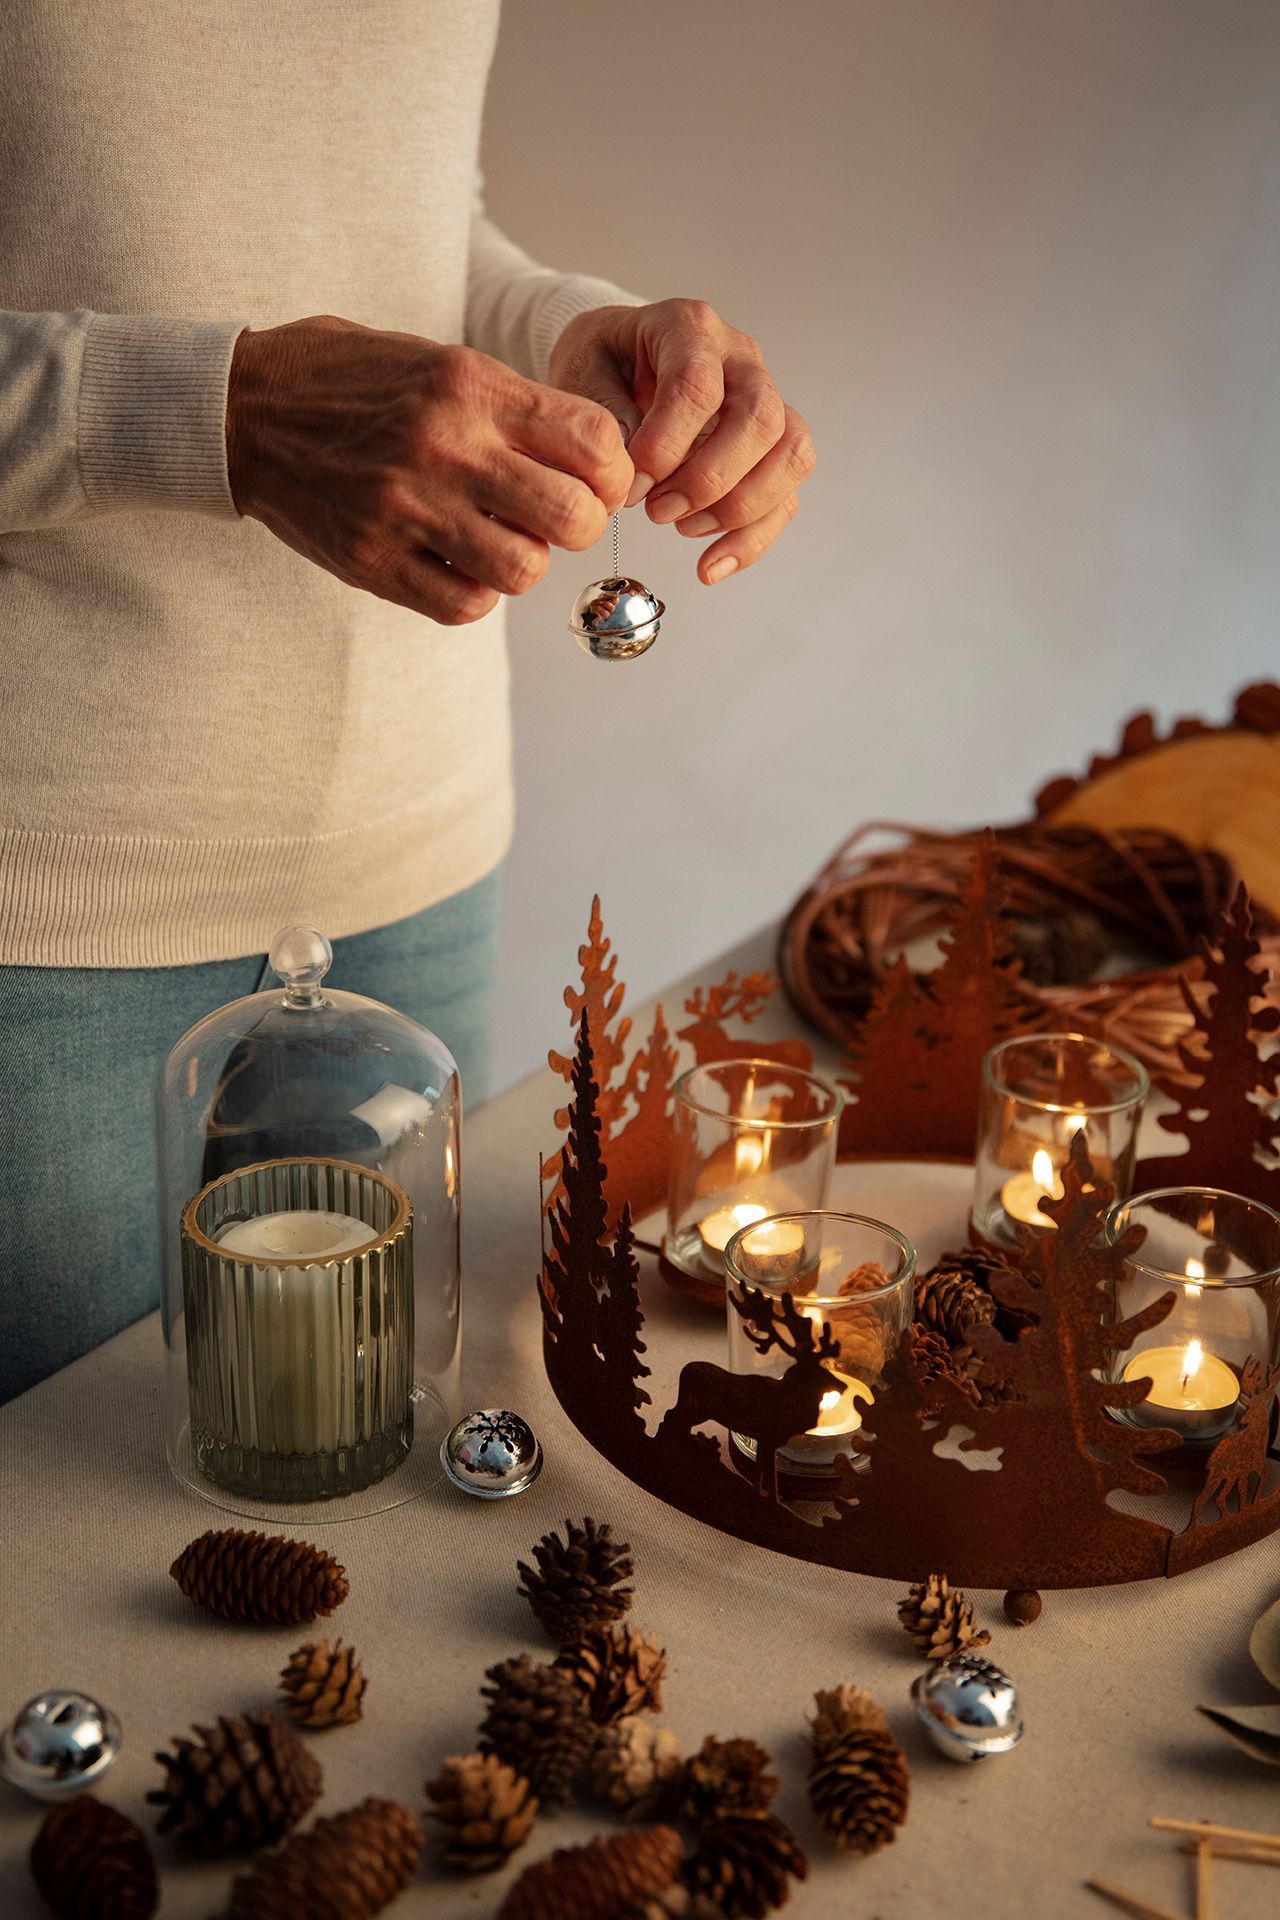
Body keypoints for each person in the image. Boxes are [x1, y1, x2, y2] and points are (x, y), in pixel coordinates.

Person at [0, 1, 815, 1404]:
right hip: (51, 909)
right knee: (71, 1564)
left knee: (402, 1498)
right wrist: (226, 411)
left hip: (414, 866)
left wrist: (561, 334)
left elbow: (399, 206)